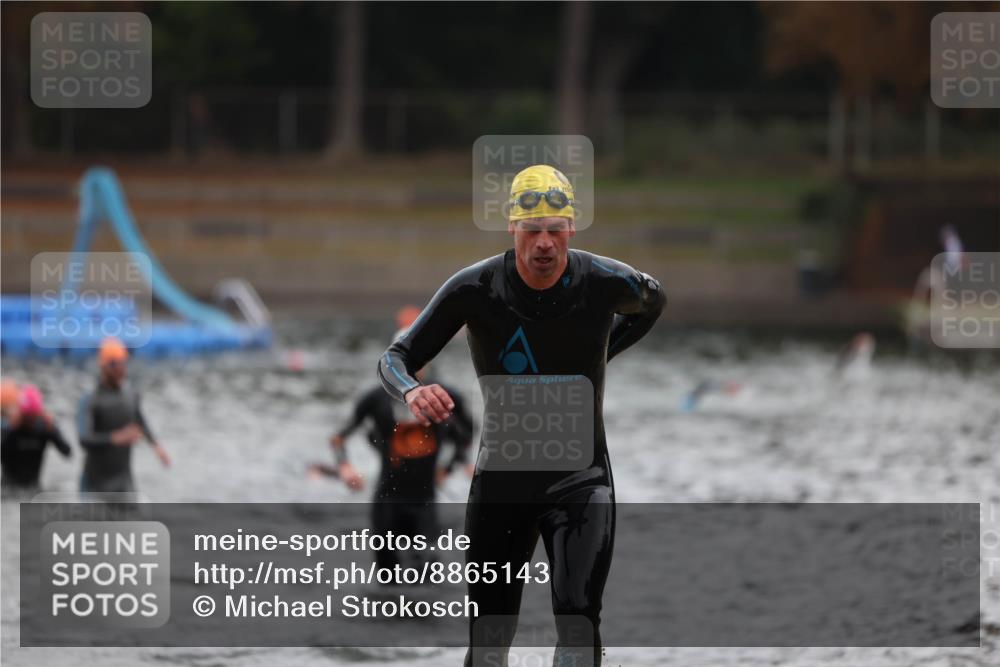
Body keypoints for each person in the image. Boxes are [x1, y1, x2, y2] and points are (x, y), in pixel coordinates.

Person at [377, 165, 666, 666]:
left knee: (579, 624)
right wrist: (412, 392)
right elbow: (394, 358)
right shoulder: (475, 288)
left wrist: (604, 353)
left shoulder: (603, 281)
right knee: (490, 638)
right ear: (513, 229)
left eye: (556, 230)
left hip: (582, 479)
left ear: (571, 229)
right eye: (532, 231)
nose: (545, 243)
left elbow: (653, 300)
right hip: (501, 483)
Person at [311, 310, 475, 570]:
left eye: (420, 358)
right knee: (386, 581)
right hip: (387, 501)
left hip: (425, 503)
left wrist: (453, 466)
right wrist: (345, 467)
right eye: (405, 360)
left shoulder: (443, 395)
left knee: (427, 580)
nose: (414, 367)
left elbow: (466, 433)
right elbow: (338, 438)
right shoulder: (375, 399)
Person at [76, 337, 170, 493]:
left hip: (123, 483)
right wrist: (115, 437)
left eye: (122, 363)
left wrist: (156, 446)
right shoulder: (91, 400)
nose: (120, 368)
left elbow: (139, 419)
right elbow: (84, 439)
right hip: (95, 485)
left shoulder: (130, 395)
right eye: (114, 364)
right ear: (104, 366)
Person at [1, 384, 72, 493]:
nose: (30, 421)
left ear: (39, 414)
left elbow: (67, 452)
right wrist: (9, 430)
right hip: (8, 487)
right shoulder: (10, 430)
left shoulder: (44, 429)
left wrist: (54, 430)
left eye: (33, 416)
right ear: (20, 413)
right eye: (27, 416)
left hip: (33, 488)